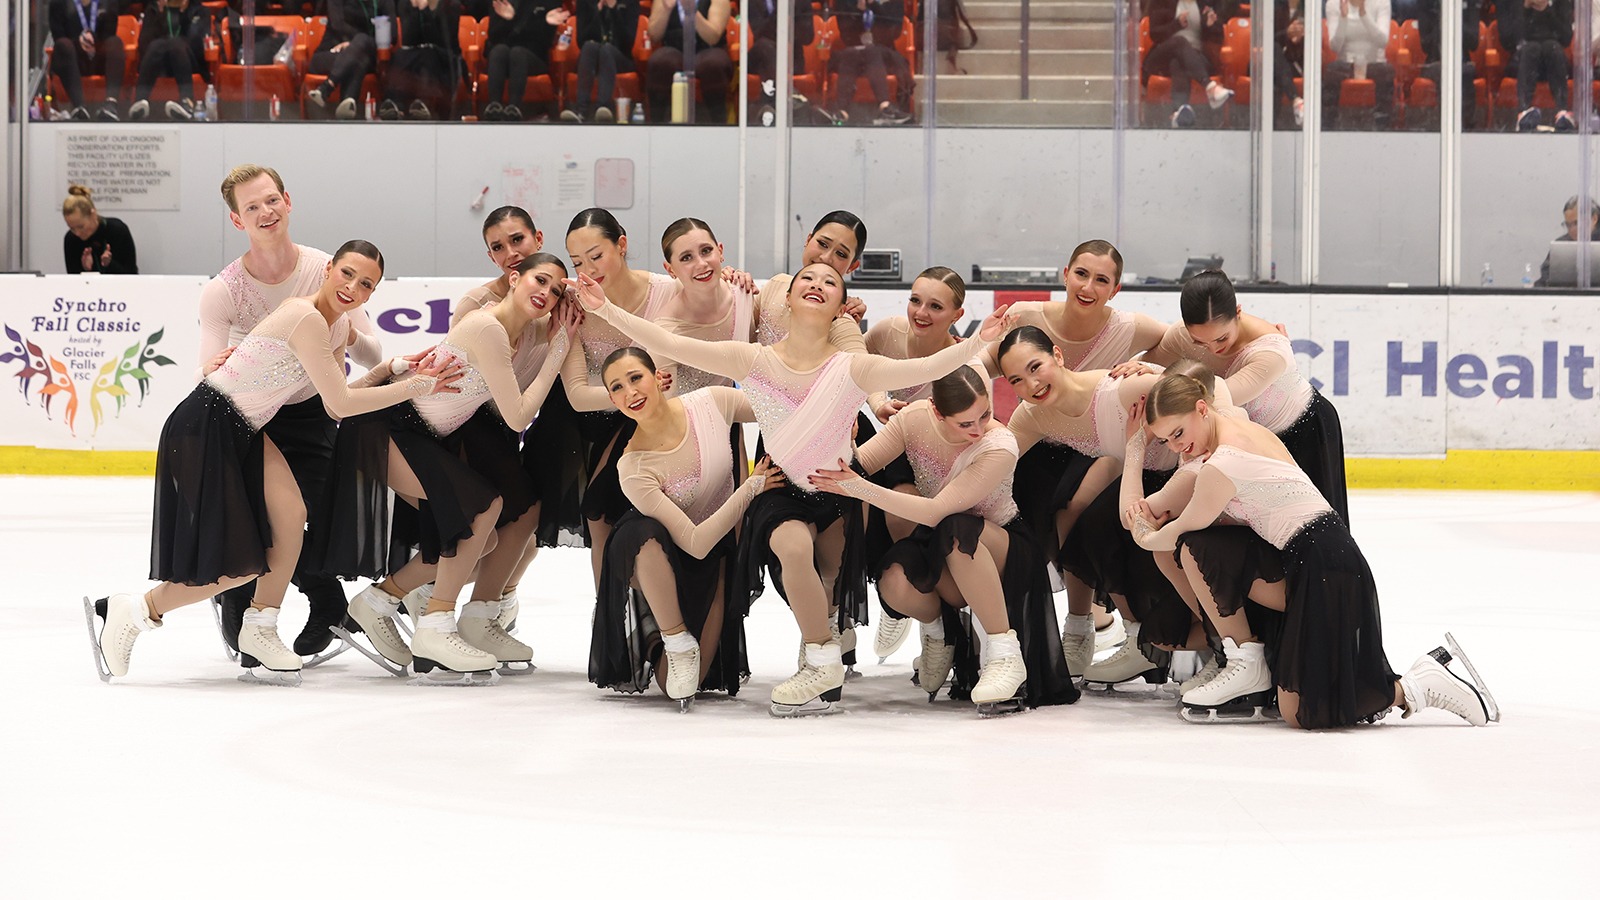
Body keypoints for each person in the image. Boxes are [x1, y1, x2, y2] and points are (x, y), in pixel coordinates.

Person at [569, 261, 1005, 715]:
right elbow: (671, 343)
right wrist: (607, 311)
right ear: (790, 300)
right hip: (780, 487)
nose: (817, 284)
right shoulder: (753, 359)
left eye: (830, 282)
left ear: (840, 307)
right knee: (793, 547)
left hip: (838, 488)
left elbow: (930, 366)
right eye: (807, 280)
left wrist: (979, 341)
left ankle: (834, 639)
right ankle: (822, 659)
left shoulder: (855, 367)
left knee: (830, 578)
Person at [84, 241, 462, 685]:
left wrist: (394, 369)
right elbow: (342, 404)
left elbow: (336, 399)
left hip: (243, 430)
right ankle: (133, 611)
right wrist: (419, 386)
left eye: (366, 284)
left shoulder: (336, 327)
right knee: (239, 563)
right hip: (204, 426)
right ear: (328, 269)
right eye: (347, 273)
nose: (352, 288)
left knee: (292, 515)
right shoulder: (305, 317)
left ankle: (260, 624)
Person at [1121, 365, 1500, 729]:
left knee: (1301, 714)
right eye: (1167, 440)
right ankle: (1242, 660)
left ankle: (1418, 686)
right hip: (1304, 556)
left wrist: (1143, 534)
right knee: (1200, 548)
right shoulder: (1245, 430)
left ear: (1202, 409)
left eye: (1179, 432)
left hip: (1327, 565)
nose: (1177, 446)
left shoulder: (1221, 465)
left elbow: (1178, 530)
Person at [319, 254, 576, 683]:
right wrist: (560, 349)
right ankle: (436, 625)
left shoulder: (524, 332)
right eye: (540, 280)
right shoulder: (487, 327)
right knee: (482, 508)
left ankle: (379, 601)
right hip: (390, 427)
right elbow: (517, 416)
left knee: (484, 538)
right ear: (515, 278)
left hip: (424, 434)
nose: (546, 293)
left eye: (556, 290)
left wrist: (559, 337)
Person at [811, 368, 1080, 714]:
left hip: (1001, 547)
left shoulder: (999, 445)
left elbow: (936, 511)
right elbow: (861, 464)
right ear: (937, 411)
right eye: (966, 423)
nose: (978, 429)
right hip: (941, 540)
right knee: (893, 580)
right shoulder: (913, 420)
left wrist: (859, 487)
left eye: (985, 415)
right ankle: (940, 632)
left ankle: (1005, 655)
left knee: (957, 529)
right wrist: (844, 448)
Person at [198, 164, 385, 664]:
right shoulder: (224, 290)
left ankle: (326, 600)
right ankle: (238, 599)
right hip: (253, 421)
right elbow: (207, 369)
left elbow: (370, 352)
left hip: (311, 413)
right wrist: (214, 365)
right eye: (251, 206)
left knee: (322, 513)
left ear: (287, 200)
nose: (265, 212)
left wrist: (342, 320)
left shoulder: (329, 269)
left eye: (271, 200)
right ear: (237, 220)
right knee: (261, 517)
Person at [998, 327, 1240, 685]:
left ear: (1058, 355)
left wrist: (1157, 372)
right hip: (1146, 479)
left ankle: (1225, 649)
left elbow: (1210, 391)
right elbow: (994, 459)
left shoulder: (1126, 389)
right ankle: (1137, 639)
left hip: (1197, 478)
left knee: (1120, 530)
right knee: (1090, 531)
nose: (1031, 384)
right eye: (1016, 380)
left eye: (1035, 367)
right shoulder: (1031, 417)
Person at [590, 348, 783, 707]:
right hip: (657, 553)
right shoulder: (632, 467)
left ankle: (655, 643)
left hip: (713, 551)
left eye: (635, 378)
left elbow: (779, 409)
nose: (630, 392)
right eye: (617, 387)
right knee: (641, 532)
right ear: (612, 400)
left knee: (683, 686)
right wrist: (752, 487)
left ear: (657, 377)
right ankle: (675, 640)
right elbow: (693, 542)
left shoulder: (712, 403)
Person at [1116, 269, 1349, 524]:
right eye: (1200, 342)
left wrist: (1159, 374)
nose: (1213, 348)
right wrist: (1145, 368)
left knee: (1312, 524)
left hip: (1304, 432)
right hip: (1246, 438)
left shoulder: (1272, 352)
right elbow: (1151, 364)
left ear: (1238, 312)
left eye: (1221, 338)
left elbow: (1215, 396)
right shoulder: (1183, 334)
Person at [858, 266, 976, 659]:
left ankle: (917, 603)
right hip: (890, 449)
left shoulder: (964, 362)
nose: (921, 312)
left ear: (958, 315)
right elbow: (855, 366)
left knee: (910, 512)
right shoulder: (886, 333)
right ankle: (901, 604)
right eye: (915, 300)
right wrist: (878, 401)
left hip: (940, 459)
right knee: (884, 507)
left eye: (935, 306)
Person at [560, 208, 681, 590]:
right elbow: (577, 396)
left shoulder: (668, 291)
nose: (588, 269)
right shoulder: (574, 304)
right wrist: (631, 395)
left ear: (622, 245)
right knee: (598, 516)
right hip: (608, 422)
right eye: (578, 262)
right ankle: (609, 611)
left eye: (596, 256)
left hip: (673, 422)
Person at [652, 217, 757, 397]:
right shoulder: (665, 331)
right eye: (686, 258)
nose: (701, 264)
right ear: (670, 269)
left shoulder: (743, 294)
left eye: (706, 251)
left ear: (720, 251)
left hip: (737, 410)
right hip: (685, 414)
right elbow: (663, 407)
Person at [1143, 0, 1234, 128]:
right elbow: (1155, 34)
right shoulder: (1162, 2)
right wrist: (1177, 24)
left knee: (1178, 63)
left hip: (1194, 58)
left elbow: (1218, 37)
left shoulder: (1204, 3)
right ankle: (1210, 87)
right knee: (1180, 41)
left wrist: (1210, 26)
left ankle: (1179, 113)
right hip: (1163, 55)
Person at [826, 0, 914, 125]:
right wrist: (858, 11)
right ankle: (843, 113)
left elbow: (893, 33)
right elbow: (846, 35)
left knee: (871, 51)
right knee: (851, 53)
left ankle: (884, 107)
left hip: (884, 53)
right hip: (854, 53)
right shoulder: (845, 3)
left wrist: (874, 5)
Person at [644, 0, 732, 122]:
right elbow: (654, 35)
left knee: (713, 64)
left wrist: (692, 12)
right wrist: (666, 10)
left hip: (707, 48)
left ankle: (718, 122)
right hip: (674, 47)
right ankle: (656, 123)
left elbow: (713, 37)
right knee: (660, 62)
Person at [483, 0, 568, 121]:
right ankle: (494, 106)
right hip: (504, 56)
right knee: (499, 50)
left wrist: (515, 19)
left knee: (517, 53)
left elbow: (544, 41)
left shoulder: (548, 3)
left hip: (534, 57)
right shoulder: (502, 3)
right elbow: (493, 35)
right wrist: (509, 20)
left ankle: (514, 108)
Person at [126, 0, 211, 121]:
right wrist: (160, 14)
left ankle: (187, 102)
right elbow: (144, 43)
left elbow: (196, 42)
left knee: (175, 44)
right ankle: (140, 102)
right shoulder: (153, 10)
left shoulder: (201, 11)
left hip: (188, 61)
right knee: (156, 45)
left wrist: (183, 14)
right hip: (160, 63)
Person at [1499, 0, 1575, 132]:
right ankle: (1523, 112)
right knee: (1531, 49)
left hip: (1553, 60)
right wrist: (1525, 8)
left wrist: (1547, 9)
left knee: (1552, 48)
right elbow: (1507, 40)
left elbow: (1566, 37)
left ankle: (1562, 113)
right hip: (1522, 60)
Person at [380, 0, 463, 120]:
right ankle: (395, 105)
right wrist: (416, 9)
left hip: (445, 60)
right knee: (401, 55)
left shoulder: (451, 4)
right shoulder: (406, 3)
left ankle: (424, 104)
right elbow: (409, 40)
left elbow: (442, 41)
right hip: (416, 57)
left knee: (428, 54)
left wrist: (425, 11)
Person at [307, 0, 391, 119]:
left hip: (367, 52)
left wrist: (354, 45)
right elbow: (337, 24)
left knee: (361, 42)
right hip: (329, 54)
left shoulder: (383, 2)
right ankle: (348, 103)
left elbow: (393, 35)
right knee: (358, 59)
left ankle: (327, 86)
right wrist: (354, 46)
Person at [48, 0, 127, 121]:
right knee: (63, 45)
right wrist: (79, 42)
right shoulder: (59, 3)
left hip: (99, 56)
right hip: (74, 58)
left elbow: (110, 31)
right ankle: (79, 107)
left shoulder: (108, 3)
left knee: (115, 43)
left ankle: (111, 105)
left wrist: (94, 39)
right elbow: (58, 35)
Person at [1323, 0, 1395, 130]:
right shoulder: (1333, 4)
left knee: (1386, 72)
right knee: (1331, 71)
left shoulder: (1382, 2)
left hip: (1374, 63)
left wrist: (1364, 15)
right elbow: (1335, 47)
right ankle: (1327, 128)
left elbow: (1382, 42)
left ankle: (1383, 128)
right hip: (1346, 64)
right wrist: (1343, 18)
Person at [563, 0, 638, 123]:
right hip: (593, 57)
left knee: (606, 50)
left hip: (620, 57)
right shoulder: (585, 2)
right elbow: (581, 40)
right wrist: (597, 13)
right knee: (589, 46)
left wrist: (613, 10)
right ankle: (581, 111)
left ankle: (603, 108)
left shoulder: (629, 2)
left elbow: (627, 43)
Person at [1415, 0, 1481, 129]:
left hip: (1462, 61)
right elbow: (1426, 44)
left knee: (1464, 73)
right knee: (1444, 72)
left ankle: (1465, 128)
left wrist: (1453, 17)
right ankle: (1443, 127)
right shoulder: (1427, 3)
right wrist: (1443, 17)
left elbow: (1473, 42)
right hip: (1435, 60)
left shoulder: (1469, 2)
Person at [62, 185, 137, 275]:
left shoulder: (117, 231)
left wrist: (110, 264)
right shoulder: (71, 239)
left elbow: (132, 275)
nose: (77, 233)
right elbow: (72, 279)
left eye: (81, 227)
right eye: (72, 228)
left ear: (93, 215)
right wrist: (86, 269)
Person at [1536, 195, 1600, 286]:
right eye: (1568, 225)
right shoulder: (1561, 245)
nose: (1572, 229)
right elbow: (1546, 277)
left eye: (1576, 223)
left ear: (1594, 219)